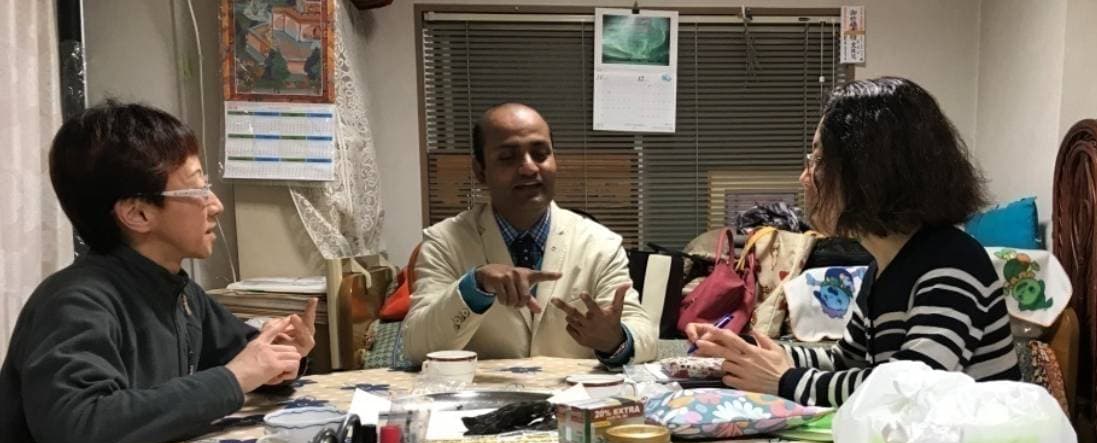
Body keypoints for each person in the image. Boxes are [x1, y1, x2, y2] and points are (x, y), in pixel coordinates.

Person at [0, 101, 316, 443]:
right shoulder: (75, 301)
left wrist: (282, 358)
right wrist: (237, 376)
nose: (214, 204)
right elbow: (77, 432)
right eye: (199, 188)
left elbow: (240, 358)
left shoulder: (178, 290)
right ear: (138, 212)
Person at [688, 77, 1020, 406]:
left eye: (817, 160)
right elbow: (846, 362)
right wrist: (745, 348)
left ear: (867, 173)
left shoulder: (952, 261)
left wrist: (785, 381)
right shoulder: (883, 266)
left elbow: (908, 388)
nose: (805, 178)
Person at [402, 102, 656, 365]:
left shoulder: (600, 243)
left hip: (575, 400)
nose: (529, 168)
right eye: (507, 157)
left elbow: (645, 336)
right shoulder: (444, 242)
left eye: (540, 153)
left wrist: (616, 341)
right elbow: (417, 348)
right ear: (480, 171)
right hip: (483, 401)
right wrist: (475, 286)